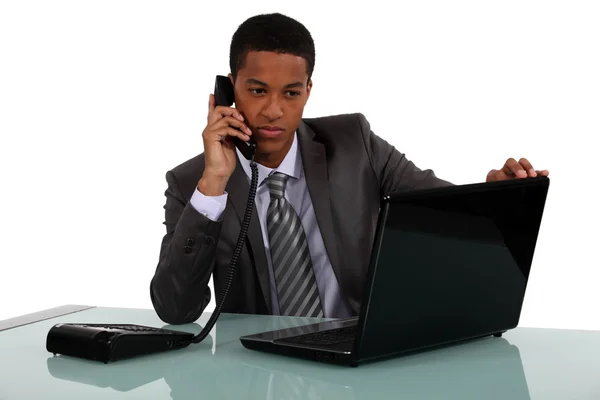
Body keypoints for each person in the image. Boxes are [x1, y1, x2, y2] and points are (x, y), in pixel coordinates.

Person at [149, 12, 549, 325]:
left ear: (309, 90)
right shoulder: (193, 185)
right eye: (257, 90)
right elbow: (174, 309)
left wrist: (495, 197)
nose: (274, 110)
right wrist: (215, 183)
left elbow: (443, 212)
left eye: (291, 93)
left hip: (358, 356)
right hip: (259, 369)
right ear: (228, 88)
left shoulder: (354, 143)